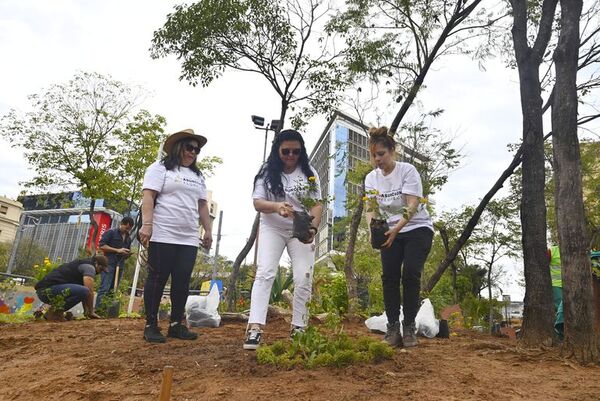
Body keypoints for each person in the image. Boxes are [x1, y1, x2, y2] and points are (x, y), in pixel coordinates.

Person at [244, 129, 323, 350]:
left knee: (303, 276)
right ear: (277, 150)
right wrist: (277, 206)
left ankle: (299, 328)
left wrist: (313, 229)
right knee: (266, 273)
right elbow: (258, 203)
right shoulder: (267, 172)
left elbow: (317, 205)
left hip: (300, 230)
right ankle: (255, 327)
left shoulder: (309, 173)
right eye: (285, 151)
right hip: (272, 228)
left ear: (301, 152)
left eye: (295, 151)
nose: (290, 156)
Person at [138, 128, 213, 343]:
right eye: (189, 148)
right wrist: (147, 225)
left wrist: (207, 230)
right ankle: (151, 325)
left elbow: (202, 205)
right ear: (179, 147)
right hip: (163, 233)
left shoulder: (197, 176)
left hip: (188, 236)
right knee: (157, 278)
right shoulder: (160, 168)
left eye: (196, 150)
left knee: (182, 280)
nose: (193, 153)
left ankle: (175, 325)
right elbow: (148, 196)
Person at [364, 127, 434, 347]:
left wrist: (396, 230)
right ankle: (393, 327)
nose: (377, 160)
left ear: (392, 151)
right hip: (390, 230)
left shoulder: (407, 171)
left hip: (416, 228)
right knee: (390, 277)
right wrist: (373, 229)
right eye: (374, 155)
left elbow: (412, 206)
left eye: (382, 154)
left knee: (411, 274)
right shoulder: (371, 178)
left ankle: (410, 325)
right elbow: (371, 207)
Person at [34, 255, 109, 320]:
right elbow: (89, 291)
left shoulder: (82, 264)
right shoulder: (89, 267)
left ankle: (50, 311)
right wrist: (91, 312)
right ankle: (54, 313)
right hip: (48, 290)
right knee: (85, 290)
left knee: (83, 291)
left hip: (47, 291)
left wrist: (87, 312)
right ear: (96, 263)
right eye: (101, 269)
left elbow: (84, 294)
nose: (100, 272)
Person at [95, 216, 134, 309]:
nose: (127, 230)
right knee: (105, 287)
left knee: (113, 289)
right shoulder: (111, 232)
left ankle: (107, 310)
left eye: (129, 229)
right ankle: (98, 310)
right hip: (108, 264)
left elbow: (126, 250)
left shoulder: (128, 238)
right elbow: (102, 246)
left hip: (120, 264)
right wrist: (117, 250)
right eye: (126, 228)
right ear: (122, 224)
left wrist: (127, 254)